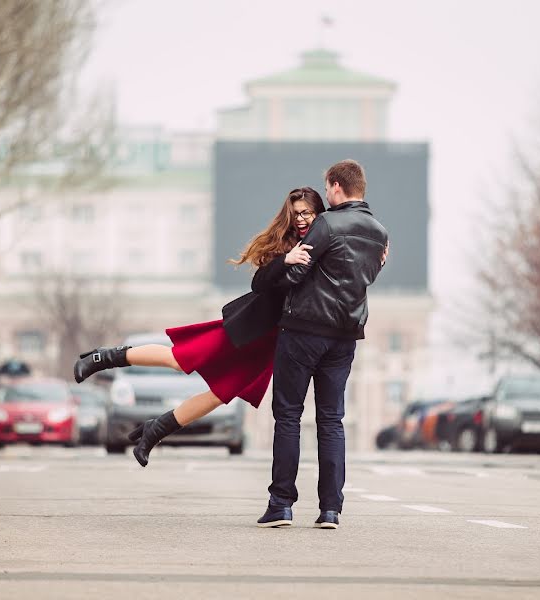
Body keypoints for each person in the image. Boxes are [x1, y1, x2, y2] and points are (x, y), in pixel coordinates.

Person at [72, 187, 327, 469]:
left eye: (307, 213)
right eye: (296, 214)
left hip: (271, 344)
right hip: (246, 330)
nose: (301, 219)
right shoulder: (284, 243)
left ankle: (154, 431)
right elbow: (260, 284)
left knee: (220, 396)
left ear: (319, 213)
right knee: (180, 360)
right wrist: (285, 260)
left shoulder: (325, 243)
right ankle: (101, 358)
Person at [258, 159, 388, 530]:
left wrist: (283, 268)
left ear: (334, 185)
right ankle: (330, 509)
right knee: (331, 420)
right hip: (345, 338)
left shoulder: (327, 224)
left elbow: (296, 273)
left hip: (303, 331)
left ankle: (281, 504)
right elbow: (366, 275)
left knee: (288, 417)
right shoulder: (379, 231)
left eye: (327, 187)